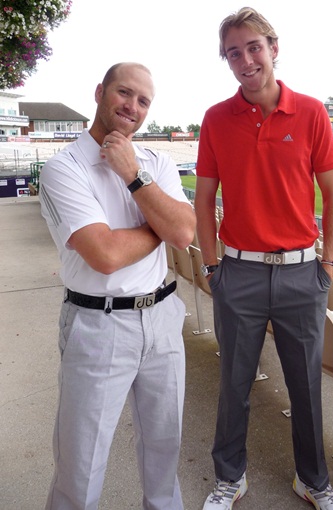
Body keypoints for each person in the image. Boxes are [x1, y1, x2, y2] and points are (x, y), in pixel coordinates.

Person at [194, 7, 333, 510]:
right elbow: (204, 197)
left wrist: (327, 262)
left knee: (305, 389)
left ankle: (314, 481)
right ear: (227, 61)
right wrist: (214, 266)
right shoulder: (216, 118)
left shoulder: (311, 112)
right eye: (234, 52)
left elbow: (332, 191)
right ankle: (229, 479)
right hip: (237, 272)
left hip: (304, 274)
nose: (245, 59)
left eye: (253, 47)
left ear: (273, 48)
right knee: (234, 385)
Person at [40, 62, 196, 510]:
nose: (132, 106)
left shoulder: (155, 163)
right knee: (81, 464)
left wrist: (133, 176)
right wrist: (161, 226)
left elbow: (186, 234)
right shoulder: (63, 167)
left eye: (143, 100)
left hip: (162, 319)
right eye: (124, 93)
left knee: (165, 452)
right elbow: (104, 255)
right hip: (97, 322)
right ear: (99, 92)